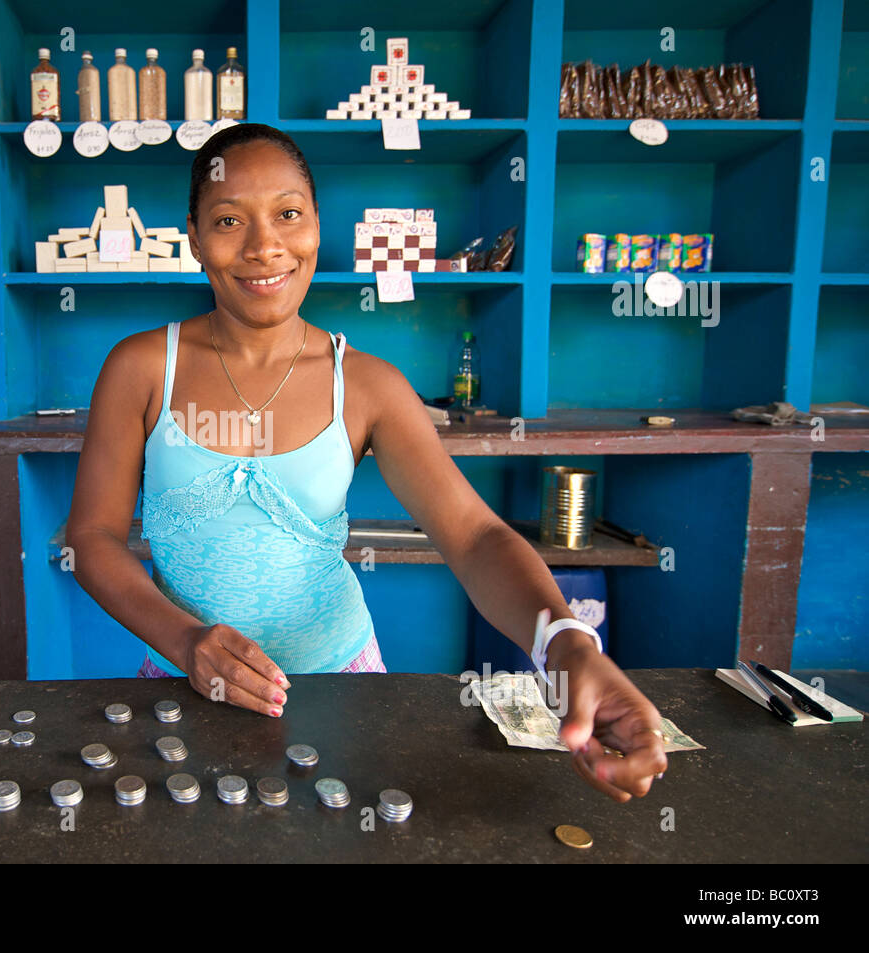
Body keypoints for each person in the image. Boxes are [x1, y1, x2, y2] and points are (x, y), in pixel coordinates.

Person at [66, 123, 667, 802]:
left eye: (288, 214)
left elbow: (473, 535)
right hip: (181, 681)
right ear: (196, 236)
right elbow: (92, 538)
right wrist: (186, 640)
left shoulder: (368, 385)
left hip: (339, 686)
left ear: (317, 225)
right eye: (230, 220)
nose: (265, 245)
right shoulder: (142, 367)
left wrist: (566, 642)